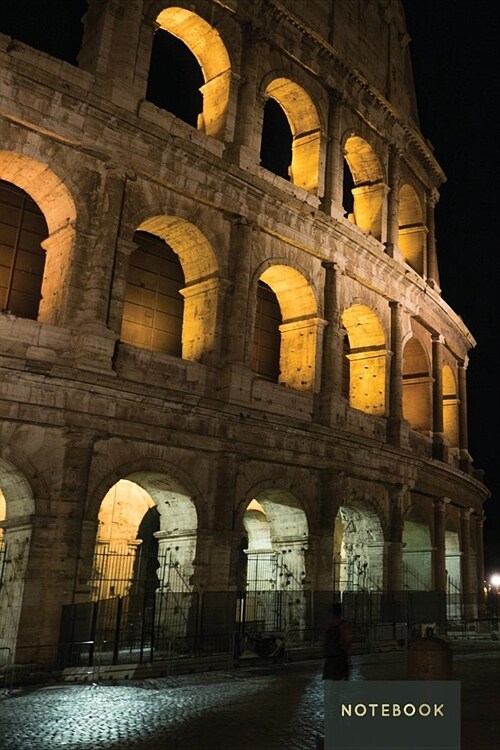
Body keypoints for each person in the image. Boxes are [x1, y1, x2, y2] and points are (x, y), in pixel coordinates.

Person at [322, 602, 352, 680]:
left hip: (330, 658)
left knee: (330, 682)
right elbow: (348, 640)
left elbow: (324, 641)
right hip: (340, 657)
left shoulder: (328, 626)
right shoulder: (343, 625)